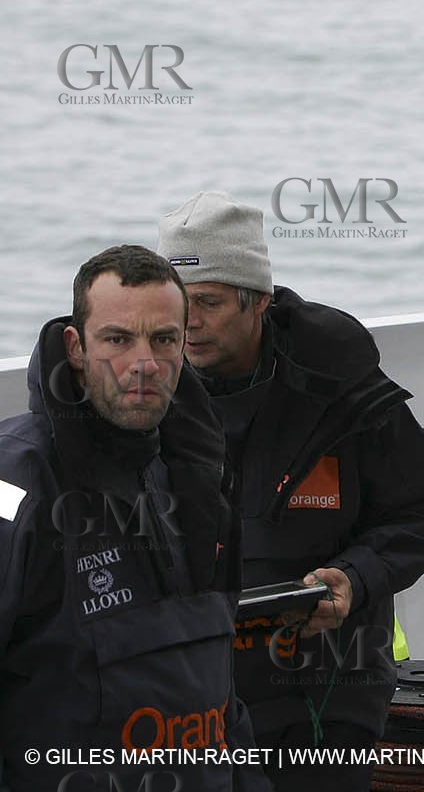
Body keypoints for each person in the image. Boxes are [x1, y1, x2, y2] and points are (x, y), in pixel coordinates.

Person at [157, 191, 424, 792]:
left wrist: (355, 577)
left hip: (326, 686)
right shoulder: (143, 391)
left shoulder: (341, 387)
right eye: (177, 304)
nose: (187, 323)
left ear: (259, 300)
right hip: (188, 685)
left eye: (209, 302)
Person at [0, 245, 268, 792]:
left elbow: (218, 678)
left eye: (163, 339)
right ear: (76, 347)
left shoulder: (202, 472)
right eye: (118, 340)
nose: (144, 363)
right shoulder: (16, 484)